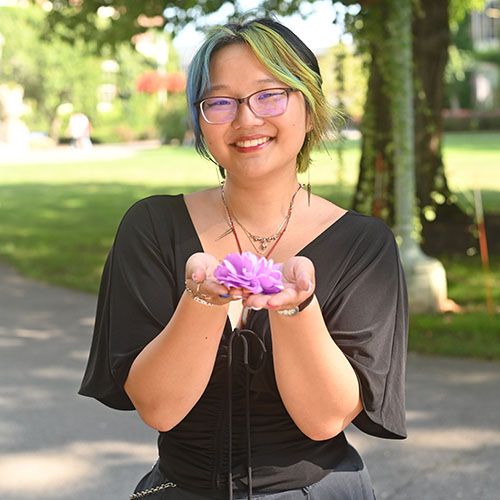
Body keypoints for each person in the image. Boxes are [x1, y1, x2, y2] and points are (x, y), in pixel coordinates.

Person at [79, 17, 408, 500]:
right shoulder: (151, 227)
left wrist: (297, 307)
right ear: (201, 121)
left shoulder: (363, 245)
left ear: (310, 108)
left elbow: (324, 418)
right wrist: (201, 302)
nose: (247, 118)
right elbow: (158, 408)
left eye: (269, 94)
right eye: (221, 101)